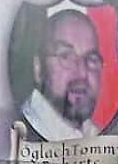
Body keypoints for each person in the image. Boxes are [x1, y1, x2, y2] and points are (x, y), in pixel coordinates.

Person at [21, 9, 103, 140]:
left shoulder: (98, 136)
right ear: (38, 68)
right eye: (65, 56)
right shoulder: (19, 140)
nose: (82, 73)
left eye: (91, 59)